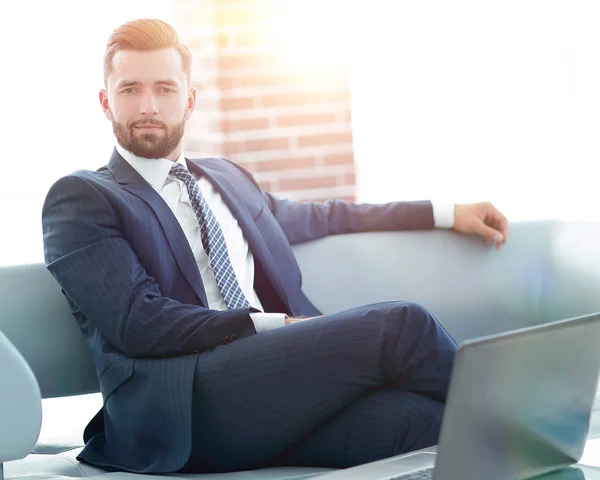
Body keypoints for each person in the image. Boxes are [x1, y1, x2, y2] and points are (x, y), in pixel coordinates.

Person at [41, 18, 509, 474]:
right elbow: (137, 322)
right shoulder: (83, 198)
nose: (148, 105)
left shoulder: (225, 178)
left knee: (419, 423)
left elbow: (323, 216)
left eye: (164, 89)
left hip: (274, 397)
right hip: (184, 404)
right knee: (403, 325)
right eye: (130, 89)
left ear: (189, 100)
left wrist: (445, 213)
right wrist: (273, 326)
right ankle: (525, 428)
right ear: (106, 101)